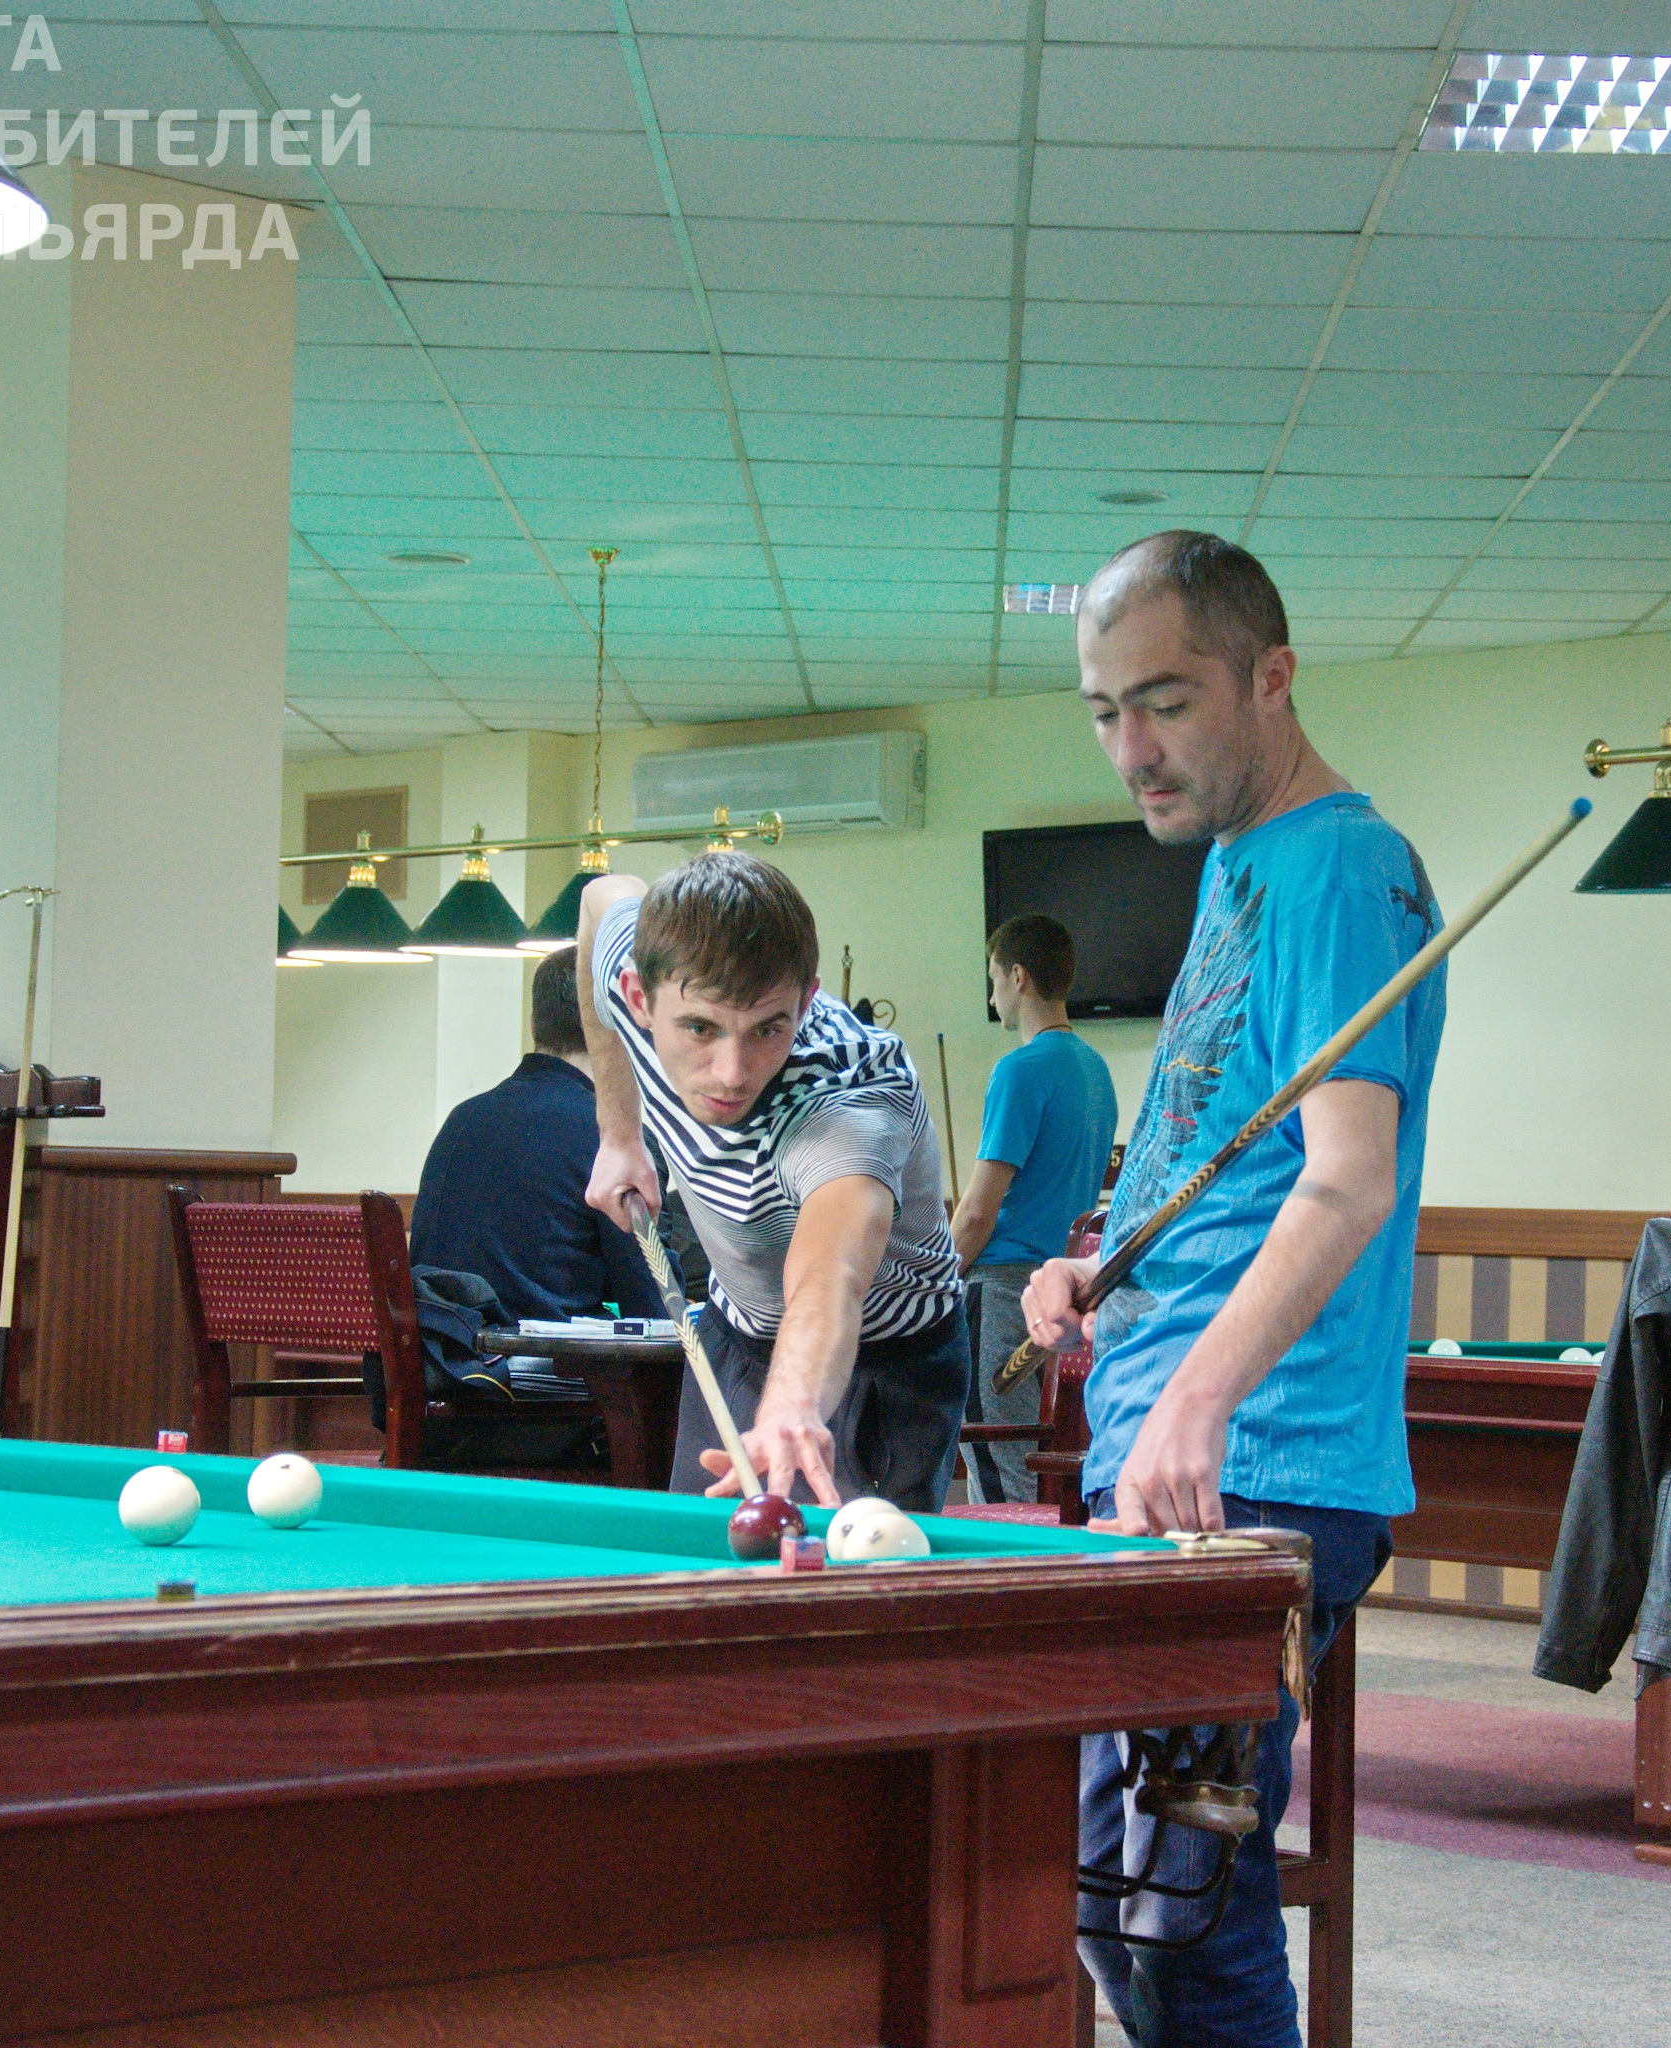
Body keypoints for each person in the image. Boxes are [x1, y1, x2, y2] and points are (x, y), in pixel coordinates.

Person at [1021, 530, 1444, 2047]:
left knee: (1177, 1917)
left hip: (1250, 1463)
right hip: (1175, 1442)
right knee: (1122, 1905)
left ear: (1272, 676)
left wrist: (1198, 1395)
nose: (1131, 749)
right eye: (1103, 710)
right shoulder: (1235, 860)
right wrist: (1108, 1259)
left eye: (1166, 701)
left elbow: (1348, 1178)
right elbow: (1232, 1147)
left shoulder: (1336, 867)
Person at [576, 852, 965, 1510]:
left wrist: (791, 1405)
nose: (732, 1072)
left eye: (767, 1028)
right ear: (639, 998)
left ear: (806, 1000)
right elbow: (599, 898)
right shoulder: (638, 975)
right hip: (735, 1331)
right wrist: (619, 1132)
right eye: (700, 1028)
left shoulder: (850, 1101)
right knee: (700, 1554)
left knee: (847, 1571)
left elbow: (830, 1275)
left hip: (885, 1360)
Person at [950, 914, 1116, 1502]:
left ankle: (1010, 1565)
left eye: (993, 978)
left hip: (1002, 1293)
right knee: (1035, 1461)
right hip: (1062, 1294)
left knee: (1000, 1462)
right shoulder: (1096, 1071)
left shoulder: (1020, 1070)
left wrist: (933, 1284)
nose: (993, 994)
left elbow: (978, 1211)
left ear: (1017, 977)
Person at [409, 945, 663, 1325]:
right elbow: (652, 1306)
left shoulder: (460, 1120)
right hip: (544, 1359)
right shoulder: (617, 1143)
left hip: (440, 1356)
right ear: (627, 1030)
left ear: (533, 1025)